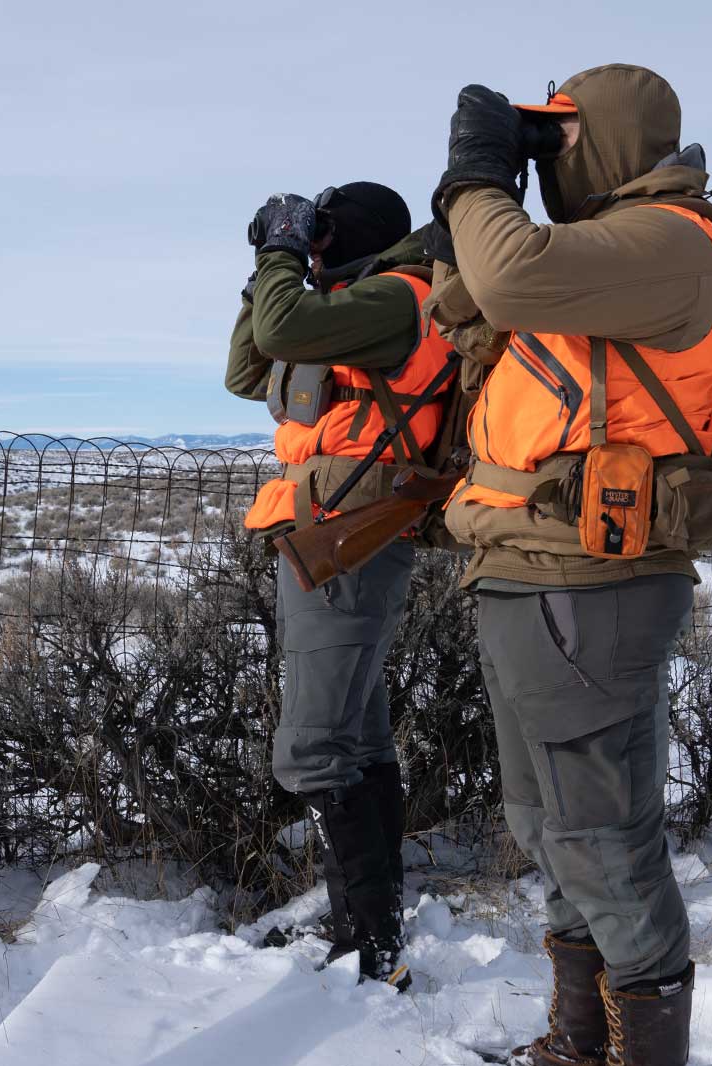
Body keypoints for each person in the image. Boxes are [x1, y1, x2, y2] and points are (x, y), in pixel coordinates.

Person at [428, 65, 712, 1066]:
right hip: (528, 570)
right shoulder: (596, 254)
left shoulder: (669, 241)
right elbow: (471, 296)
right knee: (550, 827)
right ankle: (580, 1044)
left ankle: (644, 1064)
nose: (548, 159)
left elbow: (506, 276)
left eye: (560, 141)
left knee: (604, 840)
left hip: (588, 588)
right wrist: (474, 203)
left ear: (605, 141)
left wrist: (477, 177)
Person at [225, 181, 458, 991]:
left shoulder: (398, 299)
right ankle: (370, 927)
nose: (307, 245)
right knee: (355, 741)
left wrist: (282, 256)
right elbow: (247, 366)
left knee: (318, 749)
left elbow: (286, 327)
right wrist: (270, 271)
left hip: (348, 534)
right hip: (330, 531)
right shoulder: (349, 310)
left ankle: (367, 948)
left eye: (316, 233)